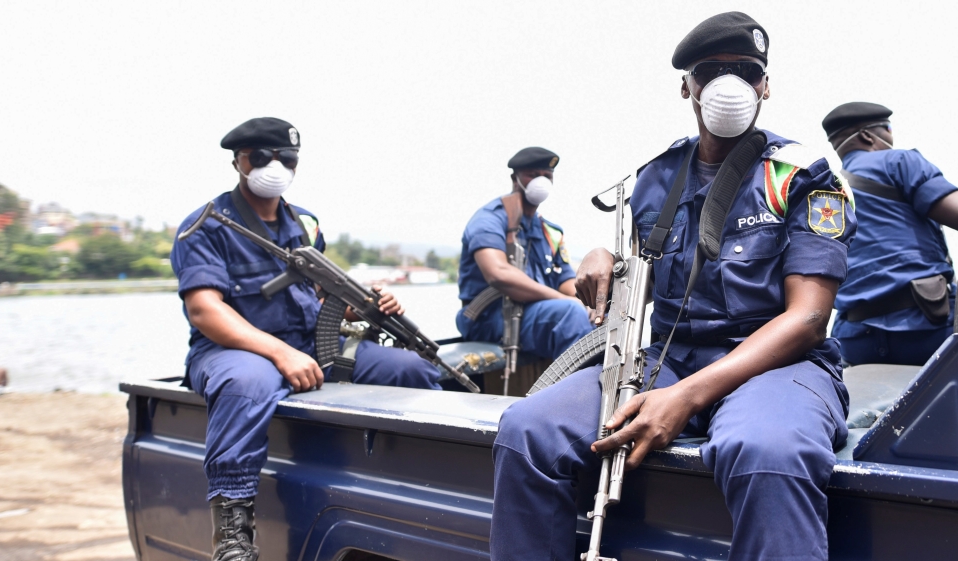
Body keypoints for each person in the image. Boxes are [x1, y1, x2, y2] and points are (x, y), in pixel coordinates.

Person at [490, 12, 856, 561]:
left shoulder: (802, 174)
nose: (729, 84)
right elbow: (643, 260)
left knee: (764, 451)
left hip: (777, 365)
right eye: (711, 70)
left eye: (745, 71)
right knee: (526, 430)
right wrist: (604, 255)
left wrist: (685, 397)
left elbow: (807, 318)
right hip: (668, 359)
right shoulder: (657, 175)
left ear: (766, 86)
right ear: (687, 86)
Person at [170, 117, 442, 561]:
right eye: (261, 157)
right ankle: (234, 538)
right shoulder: (208, 225)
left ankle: (425, 495)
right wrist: (279, 352)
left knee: (410, 368)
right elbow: (204, 309)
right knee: (247, 383)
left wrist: (369, 305)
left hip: (311, 344)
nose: (274, 167)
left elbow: (321, 296)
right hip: (233, 350)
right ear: (238, 161)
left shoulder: (305, 224)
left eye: (286, 158)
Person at [822, 102, 958, 366]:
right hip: (928, 323)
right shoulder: (899, 161)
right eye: (888, 128)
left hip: (856, 340)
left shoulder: (823, 190)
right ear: (867, 135)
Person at [455, 147, 593, 376]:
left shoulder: (551, 231)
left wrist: (590, 301)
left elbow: (566, 280)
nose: (541, 181)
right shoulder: (489, 218)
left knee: (603, 316)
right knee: (569, 313)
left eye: (547, 176)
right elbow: (498, 273)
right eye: (533, 174)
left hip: (537, 312)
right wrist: (567, 301)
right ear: (515, 178)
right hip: (490, 317)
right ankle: (575, 400)